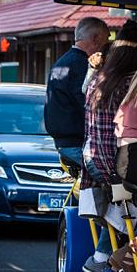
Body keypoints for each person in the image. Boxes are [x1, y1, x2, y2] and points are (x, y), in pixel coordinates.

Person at [80, 22, 137, 272]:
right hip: (113, 161)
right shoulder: (132, 82)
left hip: (90, 157)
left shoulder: (98, 78)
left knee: (123, 202)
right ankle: (107, 260)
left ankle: (104, 256)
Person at [45, 16, 109, 168]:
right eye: (106, 40)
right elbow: (87, 102)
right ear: (95, 39)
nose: (106, 47)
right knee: (106, 178)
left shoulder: (62, 62)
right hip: (76, 141)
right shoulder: (81, 65)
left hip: (64, 141)